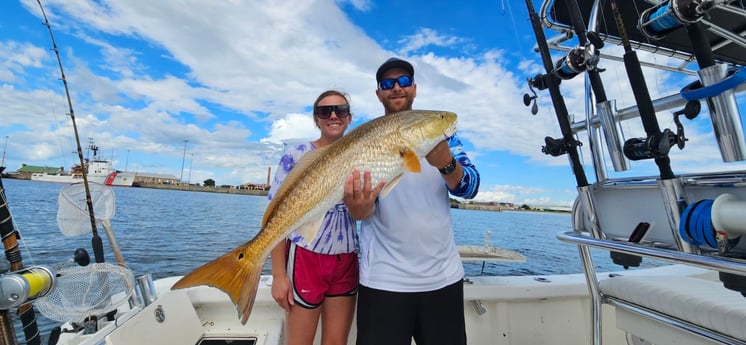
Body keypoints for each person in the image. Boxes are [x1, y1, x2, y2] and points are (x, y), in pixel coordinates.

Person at [343, 58, 480, 345]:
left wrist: (445, 163)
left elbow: (470, 187)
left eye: (404, 82)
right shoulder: (367, 141)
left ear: (414, 89)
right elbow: (363, 212)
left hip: (443, 280)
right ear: (379, 93)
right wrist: (359, 206)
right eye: (387, 84)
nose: (396, 88)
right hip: (383, 281)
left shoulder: (445, 137)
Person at [269, 90, 358, 345]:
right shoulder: (296, 155)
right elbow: (276, 219)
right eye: (324, 111)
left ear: (349, 117)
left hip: (347, 257)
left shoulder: (362, 151)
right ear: (315, 119)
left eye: (340, 110)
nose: (333, 115)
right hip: (306, 257)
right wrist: (278, 275)